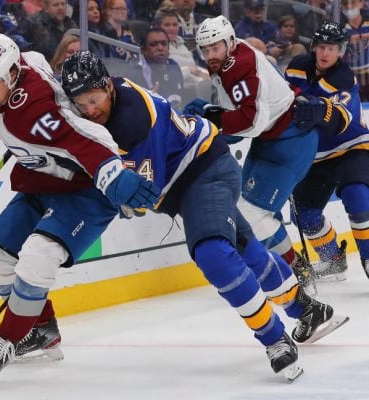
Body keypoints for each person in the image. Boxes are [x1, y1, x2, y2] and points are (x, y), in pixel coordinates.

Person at [61, 50, 347, 381]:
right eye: (81, 103)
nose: (89, 109)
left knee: (213, 253)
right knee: (244, 247)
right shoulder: (97, 108)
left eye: (93, 99)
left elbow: (142, 196)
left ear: (108, 87)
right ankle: (308, 310)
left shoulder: (132, 120)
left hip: (204, 170)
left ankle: (273, 338)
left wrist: (113, 192)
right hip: (191, 175)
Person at [0, 32, 159, 380]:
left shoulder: (33, 108)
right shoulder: (22, 69)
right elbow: (36, 56)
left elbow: (81, 136)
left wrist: (111, 170)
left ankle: (10, 337)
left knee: (40, 255)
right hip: (42, 185)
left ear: (10, 74)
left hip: (83, 191)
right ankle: (41, 330)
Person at [183, 16, 339, 290]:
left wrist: (214, 120)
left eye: (215, 48)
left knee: (252, 211)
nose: (210, 55)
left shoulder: (239, 66)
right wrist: (216, 118)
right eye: (205, 50)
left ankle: (296, 270)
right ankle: (294, 264)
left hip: (290, 141)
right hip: (274, 138)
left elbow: (252, 122)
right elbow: (244, 116)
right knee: (247, 206)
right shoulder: (230, 56)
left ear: (230, 43)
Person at [285, 21, 369, 281]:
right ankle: (333, 260)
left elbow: (341, 117)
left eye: (332, 48)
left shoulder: (343, 77)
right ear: (314, 47)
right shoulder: (296, 67)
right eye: (322, 47)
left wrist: (320, 110)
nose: (325, 53)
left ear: (341, 52)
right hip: (314, 155)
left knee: (357, 196)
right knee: (304, 214)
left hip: (350, 146)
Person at [10, 0, 78, 61]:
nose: (60, 8)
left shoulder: (72, 25)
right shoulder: (32, 23)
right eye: (56, 5)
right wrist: (30, 49)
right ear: (46, 8)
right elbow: (11, 39)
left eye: (63, 4)